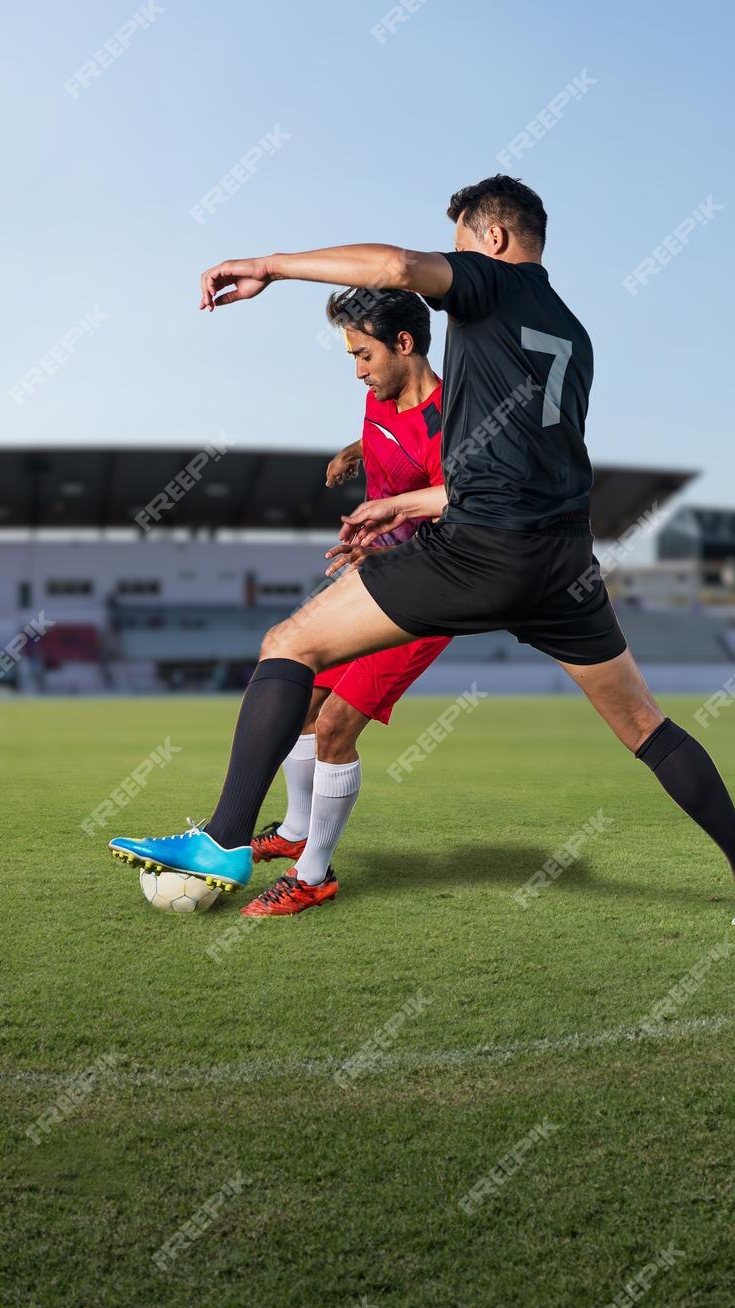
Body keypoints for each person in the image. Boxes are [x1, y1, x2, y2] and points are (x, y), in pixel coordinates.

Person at [111, 175, 735, 928]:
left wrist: (270, 265)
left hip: (480, 551)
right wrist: (402, 501)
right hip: (563, 563)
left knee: (289, 643)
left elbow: (399, 268)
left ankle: (226, 838)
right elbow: (509, 459)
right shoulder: (573, 333)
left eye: (463, 242)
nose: (455, 262)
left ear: (493, 239)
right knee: (645, 726)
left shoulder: (490, 284)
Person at [243, 287, 451, 917]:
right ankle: (295, 830)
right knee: (300, 694)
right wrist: (354, 452)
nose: (358, 370)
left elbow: (459, 505)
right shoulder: (378, 398)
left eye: (364, 355)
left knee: (334, 729)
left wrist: (391, 547)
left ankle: (314, 874)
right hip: (372, 581)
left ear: (405, 345)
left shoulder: (453, 425)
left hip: (425, 595)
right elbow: (391, 439)